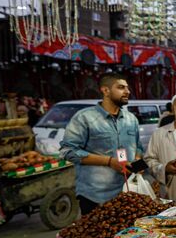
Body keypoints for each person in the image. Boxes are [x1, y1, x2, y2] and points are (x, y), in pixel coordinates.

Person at [60, 73, 142, 215]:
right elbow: (68, 151)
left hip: (127, 194)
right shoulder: (85, 118)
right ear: (106, 91)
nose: (128, 91)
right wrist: (109, 161)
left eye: (127, 88)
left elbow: (139, 148)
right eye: (121, 87)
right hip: (95, 197)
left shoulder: (131, 119)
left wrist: (139, 166)